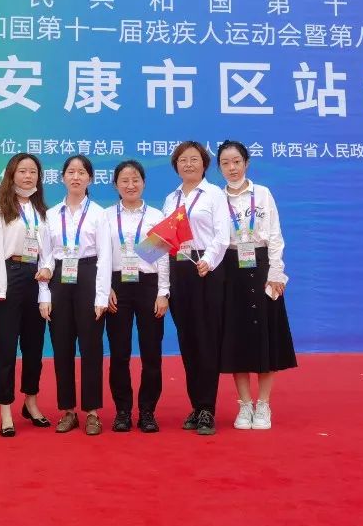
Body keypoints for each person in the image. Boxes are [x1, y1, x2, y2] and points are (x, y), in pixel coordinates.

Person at [216, 140, 297, 431]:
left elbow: (275, 235)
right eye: (225, 163)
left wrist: (276, 272)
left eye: (237, 161)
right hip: (230, 268)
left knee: (266, 336)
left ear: (246, 163)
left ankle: (263, 404)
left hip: (262, 266)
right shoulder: (216, 199)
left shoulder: (262, 193)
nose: (232, 168)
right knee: (235, 337)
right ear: (219, 168)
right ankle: (245, 404)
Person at [162, 141, 229, 436]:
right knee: (187, 339)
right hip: (179, 268)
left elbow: (222, 235)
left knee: (206, 339)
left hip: (206, 269)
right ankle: (196, 405)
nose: (188, 164)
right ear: (176, 166)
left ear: (204, 164)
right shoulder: (171, 199)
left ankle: (207, 409)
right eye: (182, 160)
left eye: (194, 159)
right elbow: (165, 240)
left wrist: (209, 261)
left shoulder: (214, 195)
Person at [0, 152, 52, 437]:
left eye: (33, 172)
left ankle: (31, 402)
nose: (28, 176)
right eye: (22, 171)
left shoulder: (41, 210)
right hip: (8, 277)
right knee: (6, 349)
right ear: (11, 174)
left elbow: (48, 249)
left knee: (34, 347)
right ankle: (5, 410)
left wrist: (47, 268)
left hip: (35, 278)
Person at [44, 156, 111, 436]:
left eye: (81, 172)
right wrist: (44, 295)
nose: (75, 177)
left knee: (91, 346)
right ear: (62, 177)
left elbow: (105, 257)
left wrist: (101, 296)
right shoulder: (51, 214)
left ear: (90, 179)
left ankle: (92, 412)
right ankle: (68, 410)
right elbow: (45, 256)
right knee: (61, 346)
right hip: (59, 277)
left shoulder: (99, 213)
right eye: (70, 172)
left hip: (88, 275)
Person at [104, 160, 167, 433]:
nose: (130, 185)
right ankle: (122, 411)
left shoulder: (155, 215)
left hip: (149, 286)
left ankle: (147, 411)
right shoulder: (106, 216)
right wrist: (105, 288)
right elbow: (102, 257)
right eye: (124, 180)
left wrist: (163, 292)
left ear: (143, 183)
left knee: (151, 353)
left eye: (135, 180)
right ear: (116, 184)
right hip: (117, 287)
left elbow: (162, 258)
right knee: (119, 353)